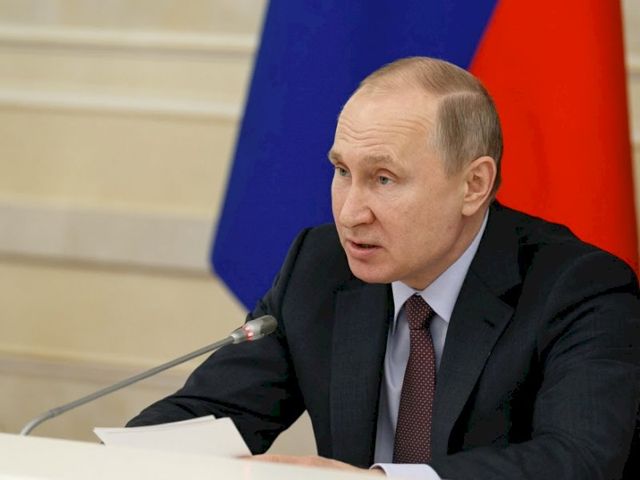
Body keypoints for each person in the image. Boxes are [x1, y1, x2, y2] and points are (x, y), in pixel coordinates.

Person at [128, 57, 640, 479]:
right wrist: (120, 461)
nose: (351, 213)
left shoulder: (578, 288)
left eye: (384, 179)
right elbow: (212, 414)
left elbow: (578, 460)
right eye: (342, 171)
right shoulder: (319, 266)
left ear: (474, 185)